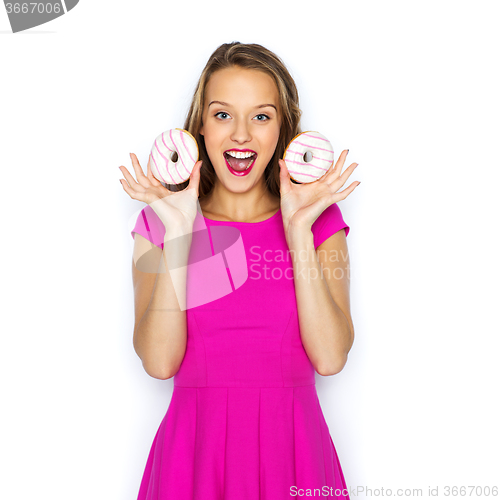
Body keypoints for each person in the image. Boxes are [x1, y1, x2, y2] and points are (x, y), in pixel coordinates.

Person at [119, 41, 359, 500]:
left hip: (295, 453)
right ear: (200, 129)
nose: (242, 135)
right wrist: (178, 232)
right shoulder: (160, 222)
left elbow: (330, 359)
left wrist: (298, 232)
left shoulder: (321, 222)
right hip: (193, 457)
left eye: (262, 116)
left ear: (283, 130)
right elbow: (158, 362)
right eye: (223, 115)